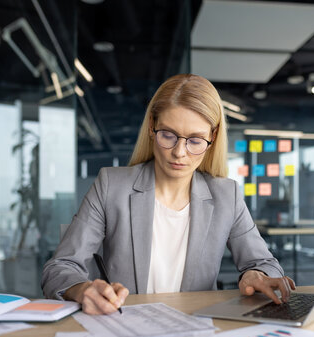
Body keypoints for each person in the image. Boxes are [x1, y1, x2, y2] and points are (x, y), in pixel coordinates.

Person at [41, 74, 295, 315]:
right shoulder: (111, 186)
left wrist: (254, 275)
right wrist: (82, 289)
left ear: (213, 137)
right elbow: (60, 267)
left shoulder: (226, 195)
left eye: (195, 140)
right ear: (152, 127)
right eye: (168, 135)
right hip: (125, 327)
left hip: (198, 330)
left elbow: (266, 264)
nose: (179, 152)